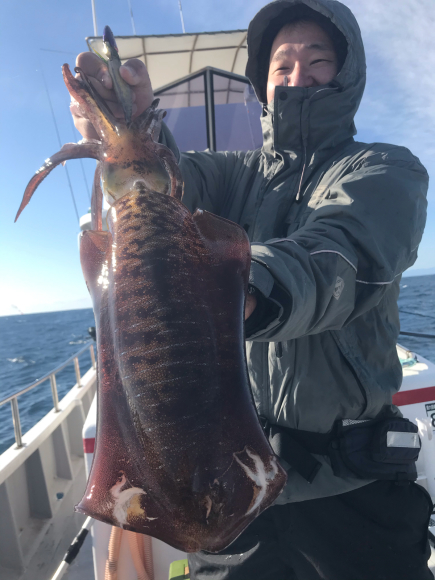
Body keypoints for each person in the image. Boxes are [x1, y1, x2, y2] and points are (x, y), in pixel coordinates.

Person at [72, 0, 432, 578]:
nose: (298, 75)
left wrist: (237, 284)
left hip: (351, 490)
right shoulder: (235, 173)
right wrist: (134, 127)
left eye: (317, 60)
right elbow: (172, 181)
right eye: (282, 64)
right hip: (236, 483)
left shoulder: (386, 169)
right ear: (262, 83)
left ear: (348, 75)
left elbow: (337, 258)